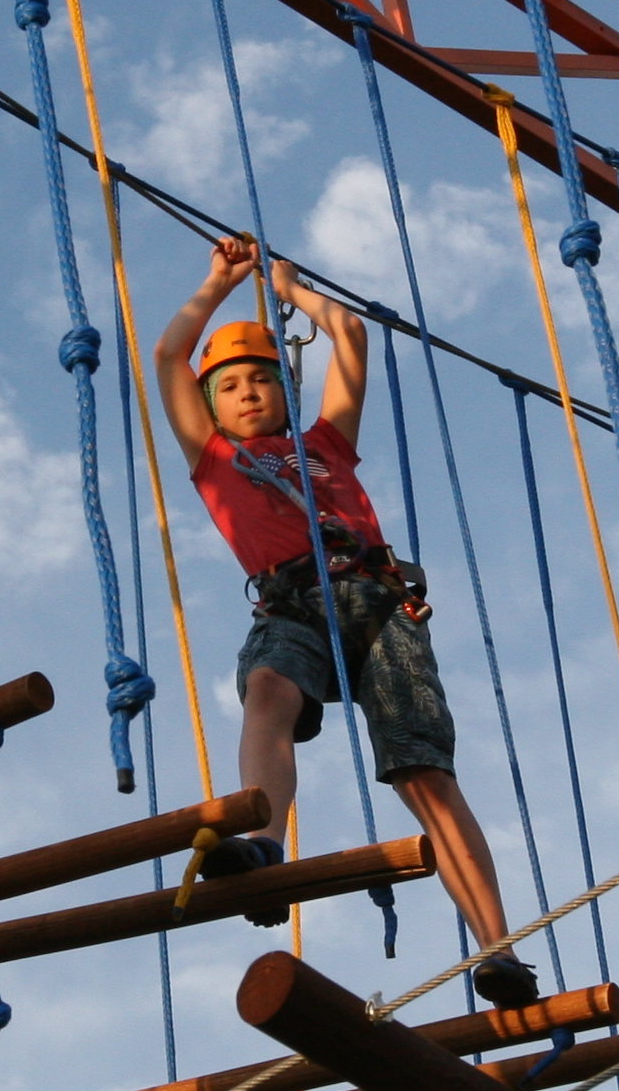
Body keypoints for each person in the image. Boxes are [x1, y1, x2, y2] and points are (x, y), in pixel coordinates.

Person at [156, 235, 538, 1006]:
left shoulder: (324, 445)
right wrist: (218, 284)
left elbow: (353, 338)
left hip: (375, 603)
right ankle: (265, 842)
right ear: (210, 408)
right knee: (268, 689)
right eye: (230, 386)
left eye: (264, 379)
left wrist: (294, 292)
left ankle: (496, 948)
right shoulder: (214, 459)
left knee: (424, 773)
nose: (250, 392)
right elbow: (168, 358)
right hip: (290, 599)